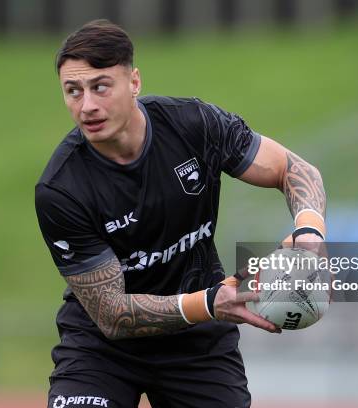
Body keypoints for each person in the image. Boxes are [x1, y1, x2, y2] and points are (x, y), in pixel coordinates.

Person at [35, 19, 327, 408]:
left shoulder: (193, 125)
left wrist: (310, 234)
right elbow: (112, 315)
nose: (87, 105)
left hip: (198, 346)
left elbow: (293, 169)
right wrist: (210, 302)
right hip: (102, 351)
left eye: (100, 86)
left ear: (134, 82)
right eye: (73, 91)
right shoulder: (61, 188)